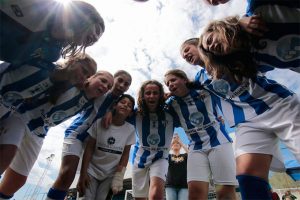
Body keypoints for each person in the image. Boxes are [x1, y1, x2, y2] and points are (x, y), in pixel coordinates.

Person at [198, 33, 300, 199]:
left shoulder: (233, 51)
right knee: (247, 177)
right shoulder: (200, 78)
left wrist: (243, 24)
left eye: (189, 49)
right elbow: (185, 90)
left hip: (279, 106)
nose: (187, 55)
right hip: (247, 122)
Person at [0, 70, 113, 200]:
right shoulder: (72, 84)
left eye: (109, 86)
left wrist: (110, 110)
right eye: (103, 81)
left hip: (39, 132)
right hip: (21, 117)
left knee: (18, 181)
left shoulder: (92, 102)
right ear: (90, 78)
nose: (105, 86)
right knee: (7, 153)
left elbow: (114, 100)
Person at [0, 53, 97, 173]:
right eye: (84, 70)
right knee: (8, 152)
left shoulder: (65, 89)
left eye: (87, 75)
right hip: (17, 117)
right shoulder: (40, 63)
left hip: (18, 119)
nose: (83, 77)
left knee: (13, 165)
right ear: (73, 60)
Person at [46, 70, 132, 200]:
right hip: (77, 135)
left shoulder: (121, 104)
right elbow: (85, 86)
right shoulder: (100, 91)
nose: (121, 85)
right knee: (68, 174)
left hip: (93, 144)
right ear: (113, 79)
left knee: (86, 184)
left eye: (126, 84)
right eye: (119, 80)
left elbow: (139, 111)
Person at [164, 69, 237, 200]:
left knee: (225, 192)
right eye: (167, 83)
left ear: (184, 79)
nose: (170, 84)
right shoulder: (172, 104)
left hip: (219, 142)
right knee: (195, 193)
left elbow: (216, 75)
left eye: (173, 80)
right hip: (195, 148)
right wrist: (161, 101)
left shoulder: (205, 89)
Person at [0, 0, 105, 65]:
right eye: (97, 31)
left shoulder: (53, 54)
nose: (95, 38)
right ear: (87, 17)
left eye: (97, 39)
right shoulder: (42, 5)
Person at [76, 94, 136, 200]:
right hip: (92, 171)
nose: (126, 105)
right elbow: (89, 149)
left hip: (110, 175)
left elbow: (125, 155)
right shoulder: (99, 122)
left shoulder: (130, 129)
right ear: (115, 106)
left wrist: (119, 176)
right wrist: (83, 173)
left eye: (129, 105)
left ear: (130, 113)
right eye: (123, 102)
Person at [128, 80, 179, 200]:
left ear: (161, 95)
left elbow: (187, 108)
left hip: (161, 157)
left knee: (156, 194)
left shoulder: (171, 113)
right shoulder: (135, 113)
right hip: (140, 158)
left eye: (155, 93)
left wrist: (172, 94)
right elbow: (117, 114)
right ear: (142, 96)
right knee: (140, 198)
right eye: (148, 93)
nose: (152, 96)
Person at [165, 133, 189, 200]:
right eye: (174, 143)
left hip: (184, 186)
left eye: (177, 143)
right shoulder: (169, 156)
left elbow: (191, 155)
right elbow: (164, 153)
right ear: (171, 146)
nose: (176, 144)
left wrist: (180, 142)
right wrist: (172, 141)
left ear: (180, 146)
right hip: (170, 185)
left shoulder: (184, 156)